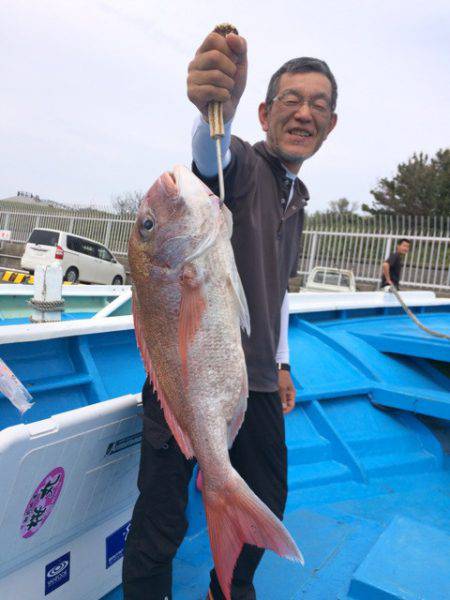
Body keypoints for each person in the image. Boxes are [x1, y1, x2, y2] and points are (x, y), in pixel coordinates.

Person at [123, 30, 337, 600]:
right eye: (290, 100)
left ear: (331, 124)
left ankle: (230, 593)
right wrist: (216, 107)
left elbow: (280, 292)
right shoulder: (243, 168)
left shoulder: (297, 195)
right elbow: (212, 155)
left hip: (259, 380)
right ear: (264, 113)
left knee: (265, 500)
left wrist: (284, 362)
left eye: (318, 104)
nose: (304, 113)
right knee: (160, 520)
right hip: (188, 381)